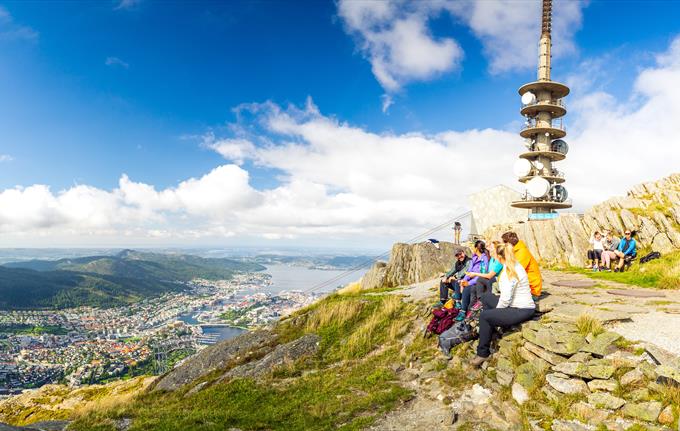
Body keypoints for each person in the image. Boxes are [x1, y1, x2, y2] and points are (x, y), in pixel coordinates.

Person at [470, 243, 535, 367]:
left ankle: (483, 353)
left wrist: (496, 314)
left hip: (521, 309)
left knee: (485, 316)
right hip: (515, 305)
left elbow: (505, 299)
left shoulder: (508, 271)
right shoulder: (515, 265)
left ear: (500, 257)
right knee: (486, 297)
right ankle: (491, 329)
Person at [464, 240, 504, 313]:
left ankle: (481, 301)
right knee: (473, 288)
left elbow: (489, 275)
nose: (488, 248)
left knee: (480, 280)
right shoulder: (492, 259)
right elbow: (485, 272)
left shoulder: (499, 260)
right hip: (489, 280)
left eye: (491, 247)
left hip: (497, 281)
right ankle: (469, 311)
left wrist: (475, 274)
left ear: (496, 249)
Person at [455, 240, 490, 321]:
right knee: (459, 282)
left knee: (467, 288)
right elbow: (469, 271)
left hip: (478, 281)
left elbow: (482, 275)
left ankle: (463, 311)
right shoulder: (474, 258)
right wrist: (463, 281)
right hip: (470, 279)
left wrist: (469, 283)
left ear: (476, 248)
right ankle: (458, 302)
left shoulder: (484, 259)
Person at [501, 232, 542, 299]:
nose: (503, 246)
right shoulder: (516, 251)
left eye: (504, 243)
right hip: (524, 286)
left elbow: (515, 271)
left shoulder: (522, 252)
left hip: (532, 290)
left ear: (508, 243)